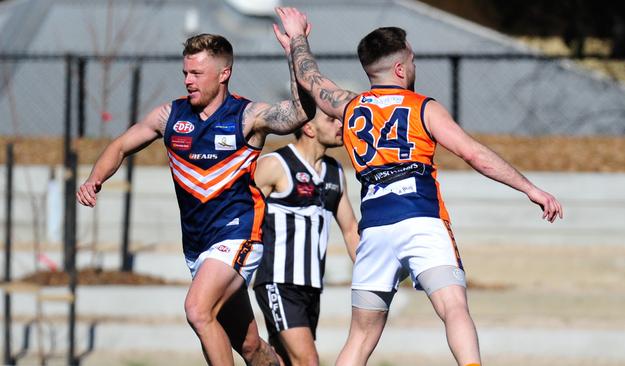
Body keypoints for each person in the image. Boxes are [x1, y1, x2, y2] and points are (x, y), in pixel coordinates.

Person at [274, 7, 564, 366]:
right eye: (411, 60)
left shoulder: (348, 106)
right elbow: (473, 153)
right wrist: (530, 189)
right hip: (421, 220)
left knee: (361, 336)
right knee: (454, 307)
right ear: (400, 68)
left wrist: (297, 38)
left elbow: (309, 77)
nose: (413, 67)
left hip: (376, 230)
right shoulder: (423, 108)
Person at [77, 30, 314, 366]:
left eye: (197, 74)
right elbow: (120, 146)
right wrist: (95, 179)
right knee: (249, 346)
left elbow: (301, 112)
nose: (188, 80)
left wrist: (295, 49)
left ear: (223, 74)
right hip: (198, 247)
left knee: (198, 310)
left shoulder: (248, 117)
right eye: (185, 73)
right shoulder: (170, 117)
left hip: (239, 234)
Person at [252, 107, 359, 366]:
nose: (340, 125)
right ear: (309, 128)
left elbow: (350, 229)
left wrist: (372, 271)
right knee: (308, 360)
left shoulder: (335, 172)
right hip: (278, 281)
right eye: (331, 119)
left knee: (281, 360)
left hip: (311, 287)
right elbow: (241, 214)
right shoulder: (276, 165)